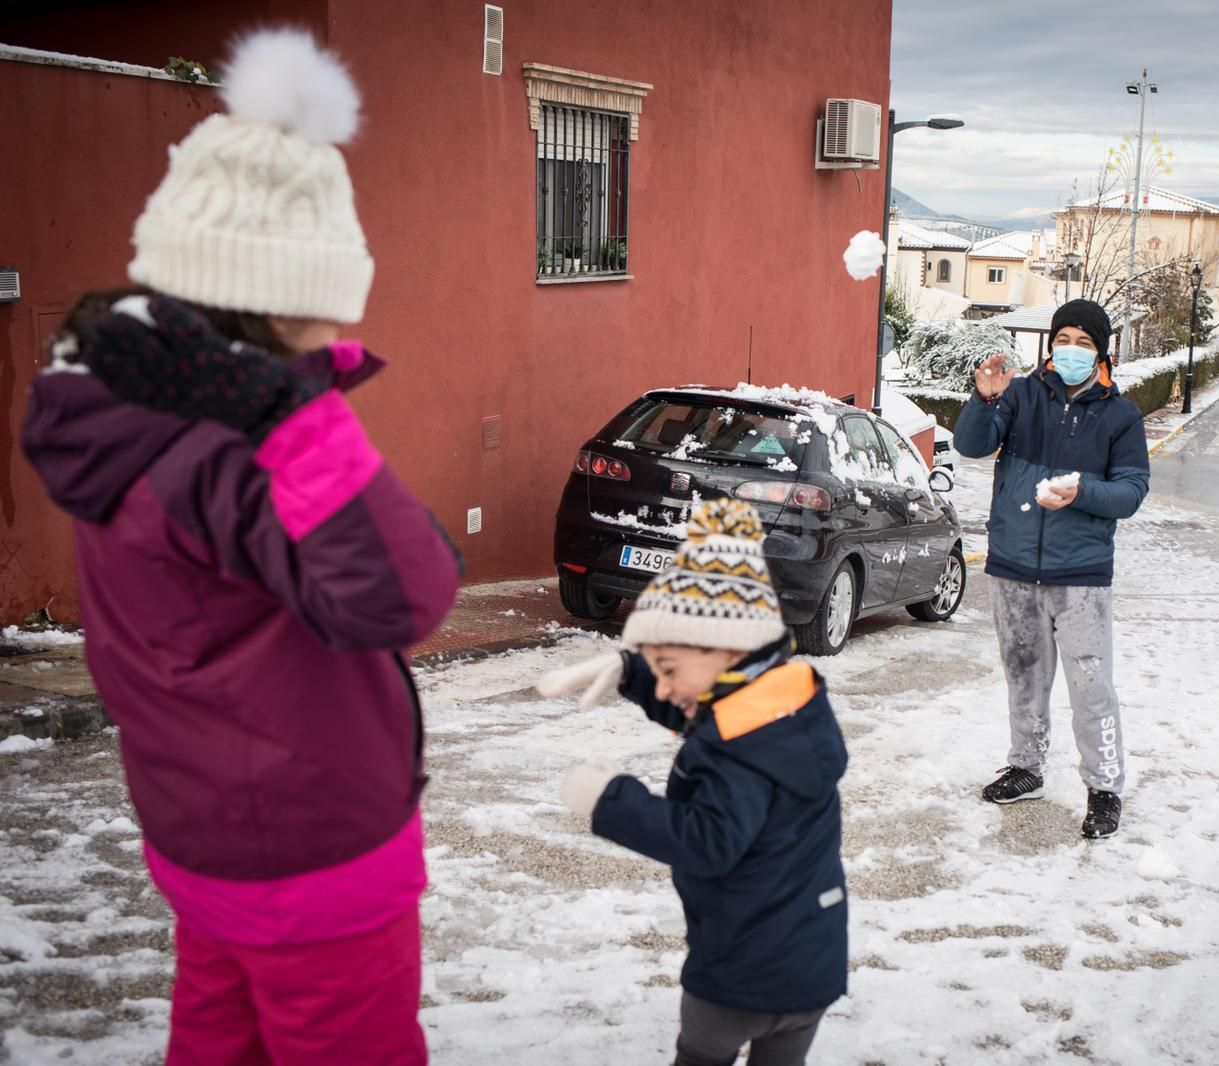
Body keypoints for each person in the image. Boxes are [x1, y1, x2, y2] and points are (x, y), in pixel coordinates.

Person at [22, 29, 461, 1064]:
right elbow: (408, 592)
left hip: (208, 831)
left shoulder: (117, 402)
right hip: (311, 852)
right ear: (274, 295)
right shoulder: (235, 437)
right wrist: (292, 413)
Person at [538, 498, 848, 1066]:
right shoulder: (783, 706)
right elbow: (705, 716)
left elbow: (707, 841)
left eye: (669, 668)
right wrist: (631, 673)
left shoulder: (738, 751)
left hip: (742, 970)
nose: (669, 684)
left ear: (724, 651)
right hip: (812, 961)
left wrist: (611, 802)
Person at [952, 299, 1149, 839]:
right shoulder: (1020, 396)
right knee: (1023, 678)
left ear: (1101, 353)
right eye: (1064, 338)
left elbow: (1132, 492)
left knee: (1091, 687)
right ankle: (1026, 767)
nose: (1072, 350)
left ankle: (1104, 788)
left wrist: (1083, 490)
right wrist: (983, 398)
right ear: (1050, 345)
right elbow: (970, 445)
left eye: (1084, 343)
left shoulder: (1120, 416)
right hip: (1013, 566)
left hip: (1081, 574)